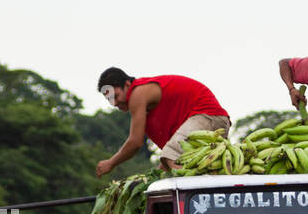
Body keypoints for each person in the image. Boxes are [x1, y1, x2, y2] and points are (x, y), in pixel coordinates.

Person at [95, 69, 230, 175]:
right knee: (164, 168)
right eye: (110, 99)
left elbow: (135, 142)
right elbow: (172, 158)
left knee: (170, 155)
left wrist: (111, 163)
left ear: (127, 84)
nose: (114, 103)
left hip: (209, 116)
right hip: (211, 122)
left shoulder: (138, 93)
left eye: (116, 96)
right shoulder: (144, 110)